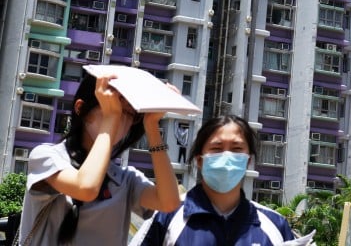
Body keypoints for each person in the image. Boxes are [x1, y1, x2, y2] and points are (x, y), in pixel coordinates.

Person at [19, 73, 181, 246]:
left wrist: (151, 125)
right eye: (112, 108)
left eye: (129, 114)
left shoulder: (124, 179)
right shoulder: (46, 156)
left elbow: (169, 202)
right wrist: (112, 118)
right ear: (81, 108)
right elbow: (86, 188)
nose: (121, 119)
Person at [132, 115, 311, 245]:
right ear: (200, 160)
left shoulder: (274, 224)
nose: (227, 156)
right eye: (217, 148)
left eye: (236, 148)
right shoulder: (166, 216)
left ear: (248, 160)